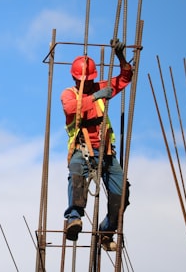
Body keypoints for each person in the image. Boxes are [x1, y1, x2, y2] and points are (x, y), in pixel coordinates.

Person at [60, 39, 132, 251]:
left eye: (90, 80)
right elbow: (71, 109)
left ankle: (106, 231)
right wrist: (95, 96)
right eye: (84, 80)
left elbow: (125, 78)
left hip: (106, 153)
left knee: (121, 198)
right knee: (76, 174)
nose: (88, 83)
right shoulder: (69, 94)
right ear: (75, 78)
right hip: (82, 150)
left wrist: (120, 58)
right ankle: (74, 217)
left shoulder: (100, 88)